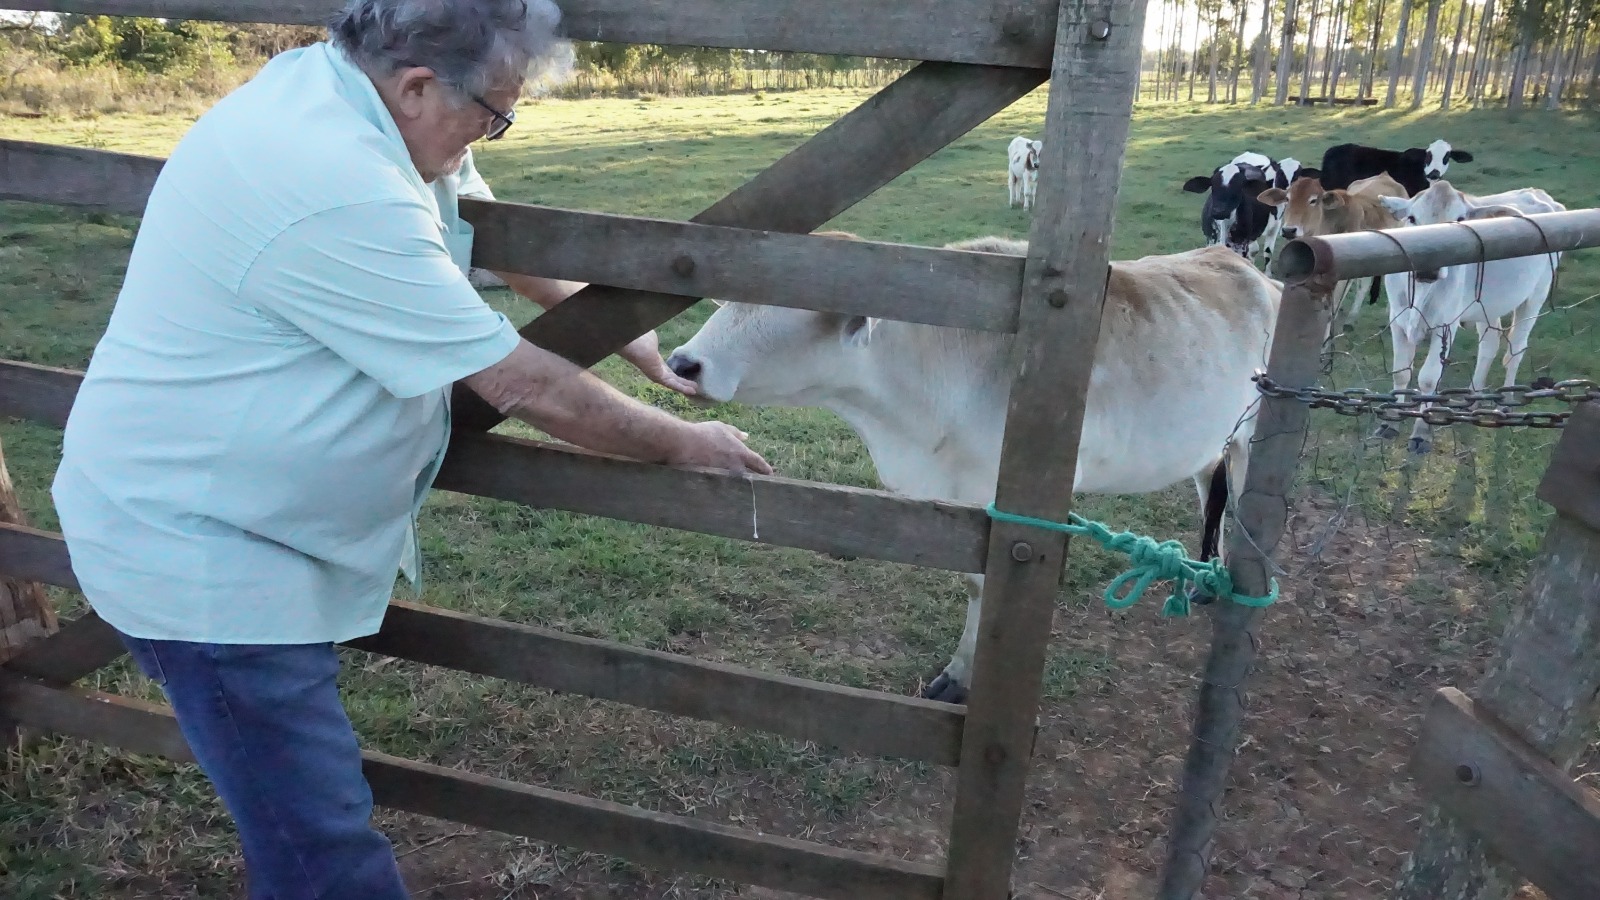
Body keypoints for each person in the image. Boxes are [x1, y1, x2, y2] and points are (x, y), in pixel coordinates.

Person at [49, 0, 771, 896]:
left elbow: (470, 202)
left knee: (299, 817)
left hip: (233, 527)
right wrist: (683, 446)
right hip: (207, 560)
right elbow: (522, 384)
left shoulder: (338, 91)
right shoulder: (330, 180)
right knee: (321, 851)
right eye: (495, 112)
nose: (493, 134)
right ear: (420, 84)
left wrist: (641, 345)